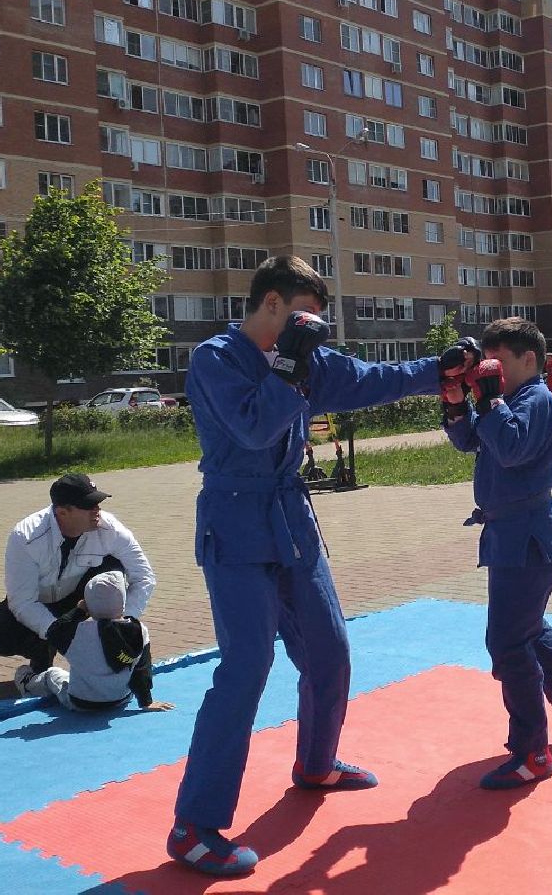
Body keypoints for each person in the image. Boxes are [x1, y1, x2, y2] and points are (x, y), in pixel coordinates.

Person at [168, 256, 442, 878]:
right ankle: (193, 826)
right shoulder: (215, 359)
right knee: (246, 667)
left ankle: (316, 764)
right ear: (272, 303)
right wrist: (289, 367)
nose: (313, 331)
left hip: (291, 518)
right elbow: (254, 429)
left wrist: (442, 370)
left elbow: (374, 379)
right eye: (304, 317)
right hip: (235, 520)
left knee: (330, 651)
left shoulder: (307, 358)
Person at [441, 317, 552, 790]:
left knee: (509, 642)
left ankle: (532, 751)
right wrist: (458, 404)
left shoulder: (537, 399)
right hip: (508, 535)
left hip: (528, 536)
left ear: (528, 360)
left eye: (499, 363)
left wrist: (489, 399)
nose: (490, 371)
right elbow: (472, 440)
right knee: (525, 627)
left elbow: (510, 449)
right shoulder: (508, 398)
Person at [0, 474, 156, 674]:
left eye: (98, 502)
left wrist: (125, 622)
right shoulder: (26, 537)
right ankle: (43, 650)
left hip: (80, 597)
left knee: (113, 567)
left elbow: (144, 577)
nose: (97, 510)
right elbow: (23, 602)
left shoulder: (111, 530)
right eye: (88, 505)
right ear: (62, 512)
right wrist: (57, 634)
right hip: (40, 600)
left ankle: (105, 644)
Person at [15, 570, 174, 714]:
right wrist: (147, 702)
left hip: (81, 702)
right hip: (121, 698)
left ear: (87, 605)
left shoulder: (79, 633)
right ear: (123, 603)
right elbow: (142, 669)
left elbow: (53, 632)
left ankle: (26, 682)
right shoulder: (140, 631)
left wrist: (78, 611)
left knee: (53, 673)